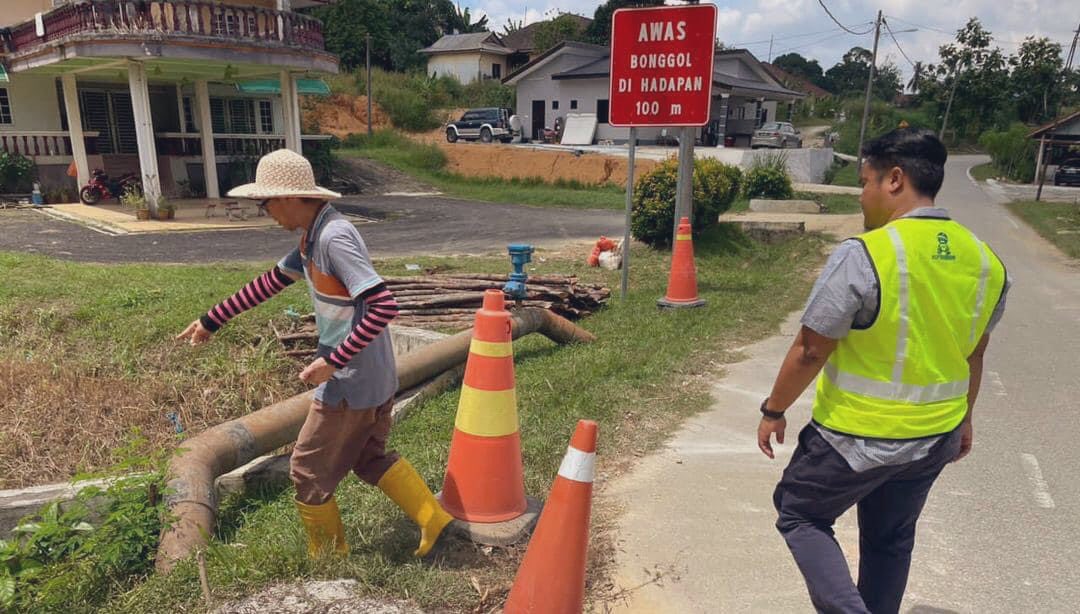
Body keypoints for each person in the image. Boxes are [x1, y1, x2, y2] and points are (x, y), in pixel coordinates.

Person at [757, 129, 1011, 613]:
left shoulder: (866, 253)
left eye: (864, 182)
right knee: (889, 539)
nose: (861, 195)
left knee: (799, 513)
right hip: (934, 436)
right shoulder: (986, 261)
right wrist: (965, 420)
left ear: (894, 180)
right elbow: (974, 354)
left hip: (855, 437)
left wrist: (773, 410)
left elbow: (810, 350)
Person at [177, 149, 452, 558]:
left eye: (265, 203)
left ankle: (327, 556)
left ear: (289, 198)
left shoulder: (331, 238)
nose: (266, 212)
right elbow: (270, 282)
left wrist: (334, 361)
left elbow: (383, 305)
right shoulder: (313, 235)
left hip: (350, 381)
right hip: (373, 373)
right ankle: (432, 517)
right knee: (369, 457)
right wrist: (211, 320)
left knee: (305, 470)